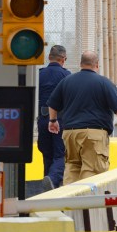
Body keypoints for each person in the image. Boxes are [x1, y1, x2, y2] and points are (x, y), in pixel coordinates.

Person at [47, 51, 117, 184]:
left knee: (72, 168)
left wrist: (53, 121)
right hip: (94, 134)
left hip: (70, 133)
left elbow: (52, 103)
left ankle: (70, 201)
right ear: (97, 64)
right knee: (92, 170)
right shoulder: (104, 82)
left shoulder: (67, 81)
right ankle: (87, 203)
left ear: (81, 64)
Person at [37, 45, 70, 191]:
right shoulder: (66, 75)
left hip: (42, 119)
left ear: (49, 58)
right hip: (59, 120)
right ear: (63, 59)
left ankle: (48, 183)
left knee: (47, 153)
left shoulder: (39, 74)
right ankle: (53, 179)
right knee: (60, 154)